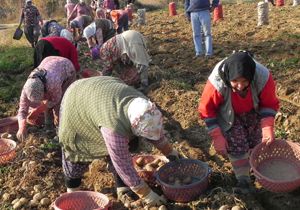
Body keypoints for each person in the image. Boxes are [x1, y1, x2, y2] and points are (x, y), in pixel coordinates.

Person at [58, 76, 179, 208]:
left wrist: (170, 152)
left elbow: (153, 130)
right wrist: (146, 194)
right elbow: (122, 162)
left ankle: (122, 188)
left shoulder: (145, 106)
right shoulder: (114, 128)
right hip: (77, 99)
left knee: (128, 144)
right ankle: (72, 195)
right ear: (133, 124)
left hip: (103, 92)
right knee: (76, 154)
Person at [198, 51, 279, 192]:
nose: (240, 86)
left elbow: (269, 103)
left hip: (253, 109)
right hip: (228, 113)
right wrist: (217, 136)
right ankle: (243, 179)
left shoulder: (263, 77)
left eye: (244, 81)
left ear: (251, 77)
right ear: (229, 77)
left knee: (258, 141)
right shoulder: (217, 82)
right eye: (235, 81)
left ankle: (259, 171)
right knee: (237, 143)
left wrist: (267, 127)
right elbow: (207, 109)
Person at [17, 56, 76, 141]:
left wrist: (37, 111)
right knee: (45, 104)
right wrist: (21, 127)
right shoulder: (27, 88)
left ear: (45, 90)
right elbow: (22, 110)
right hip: (49, 62)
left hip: (66, 68)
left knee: (60, 106)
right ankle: (48, 127)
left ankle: (61, 133)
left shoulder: (52, 83)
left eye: (43, 97)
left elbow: (55, 100)